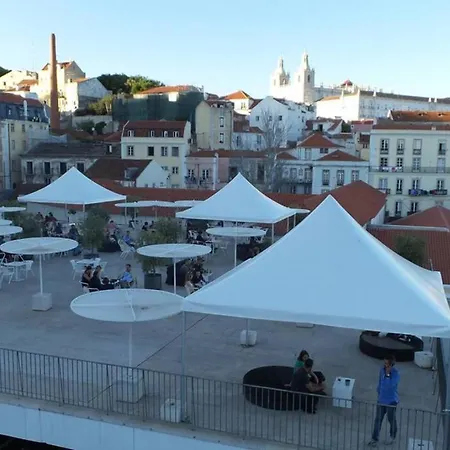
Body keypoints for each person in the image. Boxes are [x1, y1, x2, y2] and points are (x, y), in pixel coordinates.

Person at [368, 356, 399, 447]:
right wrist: (379, 391)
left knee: (391, 419)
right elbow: (380, 382)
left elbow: (391, 386)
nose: (385, 365)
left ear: (391, 365)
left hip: (391, 401)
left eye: (387, 364)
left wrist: (388, 375)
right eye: (384, 363)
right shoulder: (382, 370)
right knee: (378, 419)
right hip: (381, 400)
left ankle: (392, 436)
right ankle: (374, 438)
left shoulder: (396, 373)